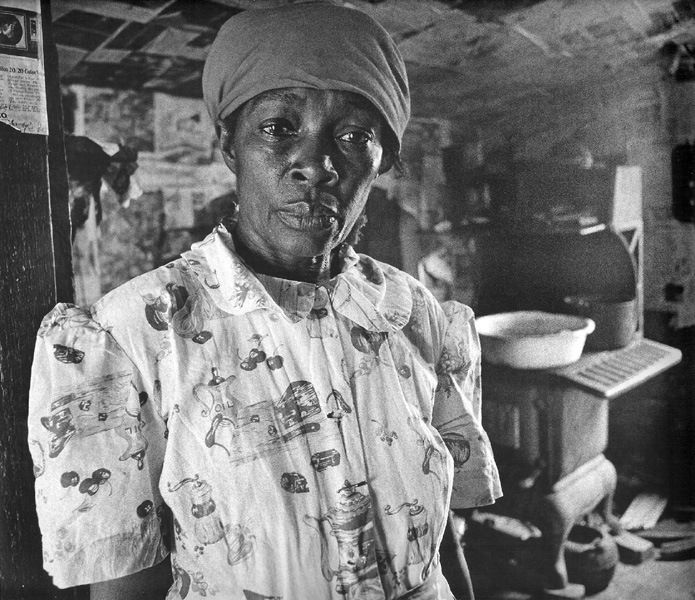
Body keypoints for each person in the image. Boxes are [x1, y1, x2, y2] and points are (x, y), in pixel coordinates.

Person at [28, 3, 501, 599]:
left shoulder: (415, 314)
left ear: (384, 159)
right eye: (279, 128)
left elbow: (437, 543)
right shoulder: (133, 336)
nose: (317, 166)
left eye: (355, 136)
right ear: (228, 144)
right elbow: (128, 589)